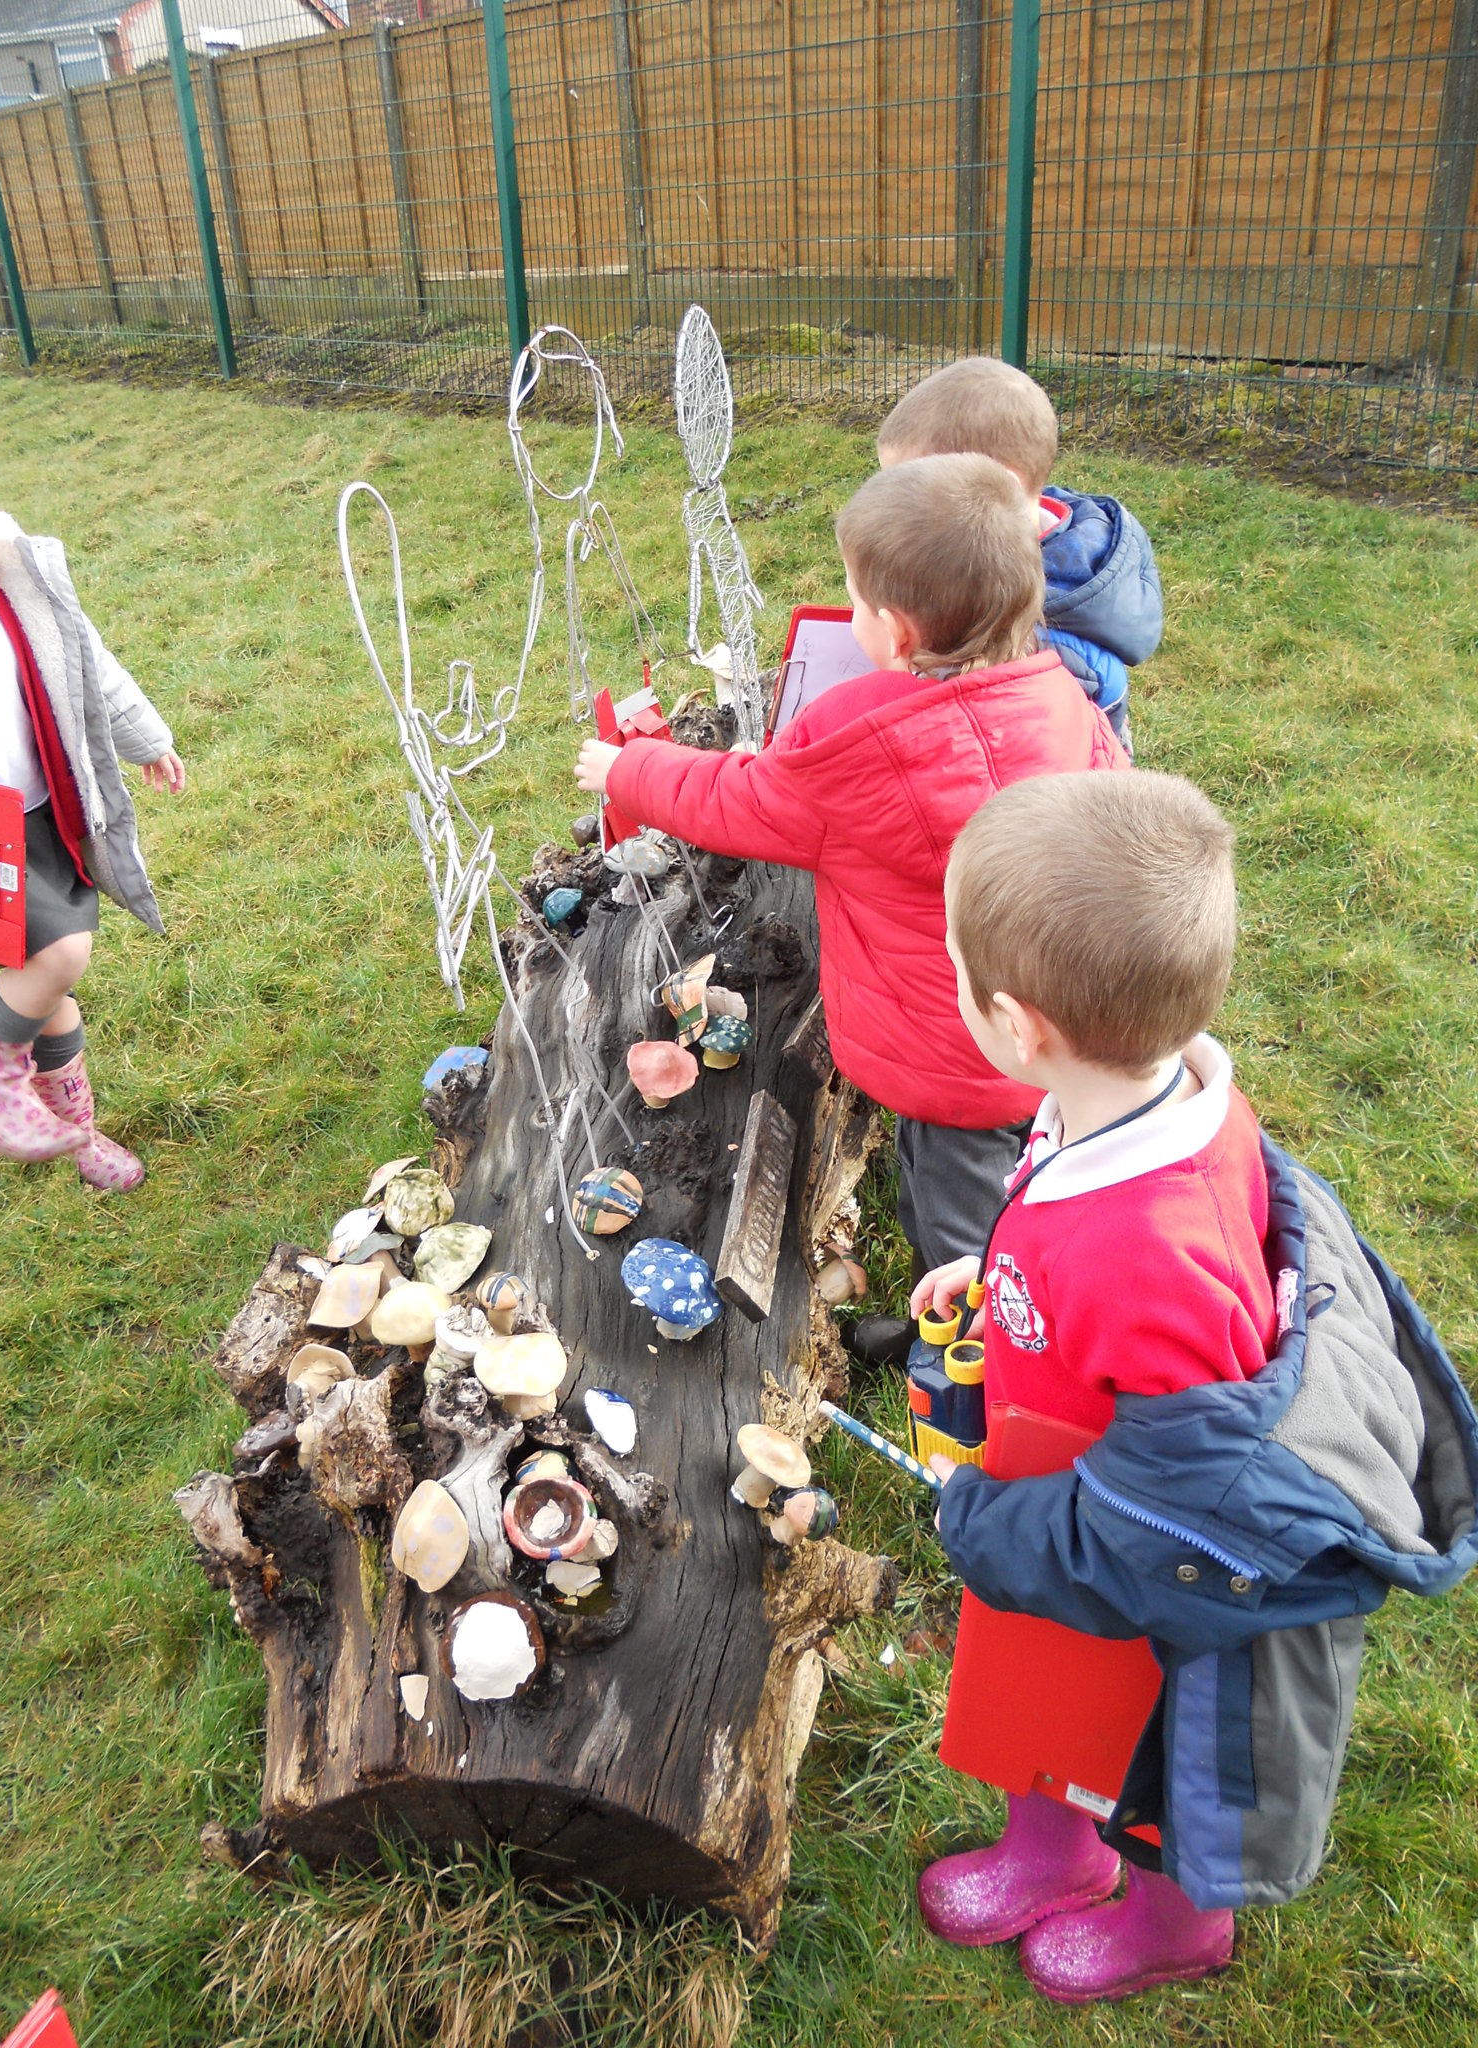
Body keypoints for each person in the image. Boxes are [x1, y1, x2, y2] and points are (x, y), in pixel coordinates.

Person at [910, 770, 1478, 2004]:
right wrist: (997, 1275)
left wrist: (989, 1523)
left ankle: (1173, 1922)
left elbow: (1176, 1502)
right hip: (1062, 1492)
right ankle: (1049, 1849)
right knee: (1045, 1691)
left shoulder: (1141, 1249)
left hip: (1154, 1566)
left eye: (950, 969)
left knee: (1159, 1744)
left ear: (1019, 1024)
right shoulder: (1134, 1099)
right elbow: (1073, 1249)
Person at [575, 452, 1127, 1284]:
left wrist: (628, 771)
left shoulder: (861, 743)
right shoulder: (1058, 696)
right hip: (1062, 1027)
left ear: (896, 631)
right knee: (1035, 1170)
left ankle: (974, 1363)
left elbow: (738, 799)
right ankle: (1043, 1264)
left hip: (947, 1061)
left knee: (958, 1227)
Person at [0, 407, 183, 1190]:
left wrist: (144, 736)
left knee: (53, 994)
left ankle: (74, 1138)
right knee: (61, 953)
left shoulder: (11, 576)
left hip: (45, 811)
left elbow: (87, 662)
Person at [877, 356, 1161, 757]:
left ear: (999, 486)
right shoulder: (1040, 536)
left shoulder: (1042, 642)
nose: (894, 512)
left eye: (910, 494)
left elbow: (988, 758)